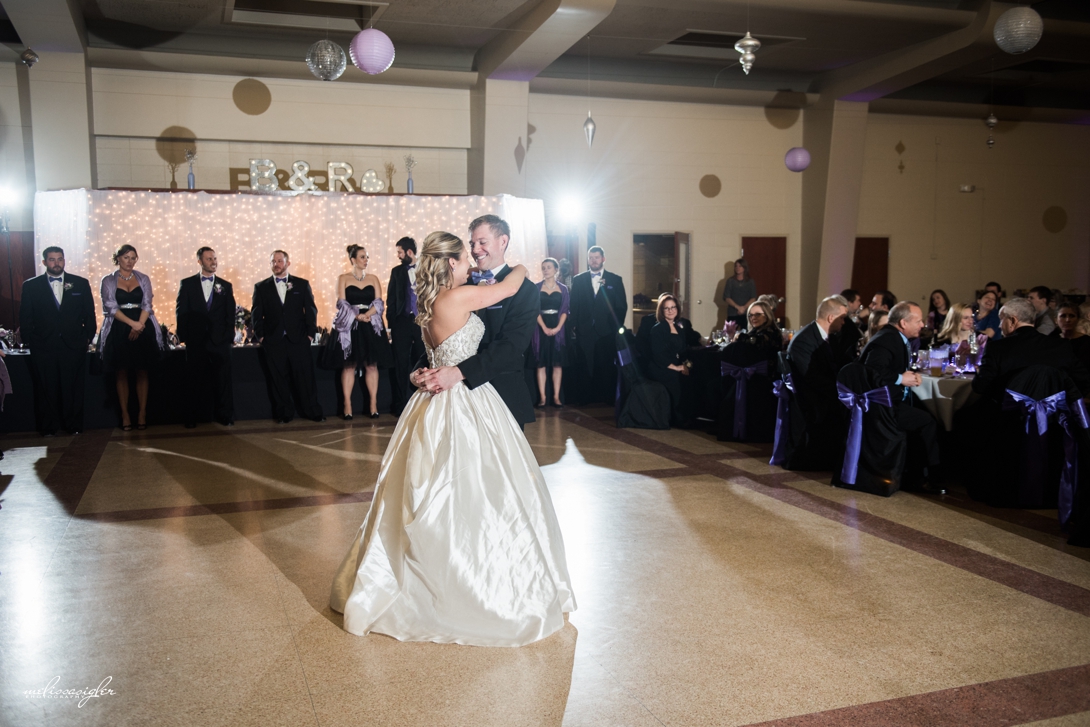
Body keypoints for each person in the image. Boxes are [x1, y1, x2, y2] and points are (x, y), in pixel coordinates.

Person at [329, 231, 575, 645]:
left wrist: (416, 374)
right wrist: (517, 265)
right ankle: (467, 585)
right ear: (449, 265)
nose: (472, 263)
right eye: (465, 258)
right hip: (463, 402)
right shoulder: (456, 299)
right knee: (474, 489)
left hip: (436, 400)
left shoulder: (429, 305)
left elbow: (428, 358)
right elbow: (512, 284)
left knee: (442, 487)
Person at [413, 215, 539, 428]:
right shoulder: (458, 284)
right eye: (472, 244)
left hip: (503, 393)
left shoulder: (525, 290)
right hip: (452, 396)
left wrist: (459, 372)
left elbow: (512, 346)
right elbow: (441, 340)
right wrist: (419, 370)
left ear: (503, 241)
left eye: (482, 242)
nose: (475, 250)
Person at [858, 301, 942, 492]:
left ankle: (916, 473)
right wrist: (900, 378)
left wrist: (908, 376)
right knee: (927, 421)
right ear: (903, 323)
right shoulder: (887, 339)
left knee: (925, 411)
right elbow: (872, 372)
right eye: (918, 321)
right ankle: (928, 478)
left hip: (889, 400)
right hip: (881, 406)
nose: (923, 325)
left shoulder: (893, 336)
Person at [19, 246, 97, 436]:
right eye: (52, 260)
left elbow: (89, 314)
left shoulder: (80, 283)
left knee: (74, 388)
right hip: (43, 346)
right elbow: (25, 317)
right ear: (45, 262)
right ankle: (48, 427)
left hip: (73, 345)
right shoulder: (31, 286)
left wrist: (87, 337)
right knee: (46, 388)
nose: (56, 263)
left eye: (60, 259)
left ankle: (74, 426)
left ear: (64, 260)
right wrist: (32, 341)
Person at [251, 250, 325, 424]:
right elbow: (256, 314)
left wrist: (309, 334)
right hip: (273, 341)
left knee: (305, 378)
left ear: (287, 263)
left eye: (279, 261)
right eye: (273, 261)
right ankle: (284, 413)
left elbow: (311, 310)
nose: (276, 264)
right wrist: (261, 337)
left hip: (299, 340)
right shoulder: (261, 287)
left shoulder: (301, 284)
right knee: (278, 380)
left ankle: (312, 411)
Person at [972, 297, 1090, 404]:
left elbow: (981, 387)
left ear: (1013, 321)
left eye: (1001, 320)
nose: (999, 326)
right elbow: (1083, 381)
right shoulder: (1061, 345)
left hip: (1008, 419)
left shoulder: (997, 348)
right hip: (1052, 420)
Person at [99, 245, 165, 431]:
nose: (130, 261)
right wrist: (131, 324)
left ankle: (142, 413)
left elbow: (147, 304)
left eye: (133, 258)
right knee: (121, 371)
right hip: (119, 327)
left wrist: (140, 325)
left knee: (142, 370)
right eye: (126, 257)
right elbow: (110, 307)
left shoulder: (143, 278)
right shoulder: (108, 280)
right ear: (118, 258)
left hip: (143, 325)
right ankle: (125, 415)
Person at [325, 244, 392, 419]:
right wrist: (357, 316)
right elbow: (341, 303)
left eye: (367, 257)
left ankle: (373, 404)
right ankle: (347, 405)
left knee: (371, 365)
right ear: (353, 260)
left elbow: (379, 302)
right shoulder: (343, 278)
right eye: (362, 257)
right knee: (349, 365)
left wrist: (367, 315)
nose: (366, 260)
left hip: (370, 324)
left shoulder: (373, 278)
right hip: (351, 325)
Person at [785, 295, 849, 469]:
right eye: (842, 318)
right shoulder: (803, 341)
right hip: (809, 396)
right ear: (831, 318)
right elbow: (810, 378)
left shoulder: (831, 337)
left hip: (823, 390)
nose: (844, 323)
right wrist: (842, 391)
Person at [176, 247, 236, 428]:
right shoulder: (187, 284)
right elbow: (182, 312)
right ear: (200, 262)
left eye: (215, 258)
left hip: (220, 341)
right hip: (196, 340)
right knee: (194, 380)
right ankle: (192, 416)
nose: (213, 262)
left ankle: (224, 415)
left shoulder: (225, 286)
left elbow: (230, 314)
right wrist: (185, 336)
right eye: (209, 259)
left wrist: (228, 336)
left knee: (223, 380)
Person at [570, 246, 627, 405]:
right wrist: (574, 326)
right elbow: (573, 305)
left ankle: (605, 399)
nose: (593, 260)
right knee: (585, 364)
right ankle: (585, 399)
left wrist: (616, 328)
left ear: (603, 259)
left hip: (607, 331)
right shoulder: (579, 280)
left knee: (606, 364)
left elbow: (621, 306)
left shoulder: (615, 280)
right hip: (585, 329)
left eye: (596, 257)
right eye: (591, 258)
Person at [386, 236, 424, 417]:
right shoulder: (396, 272)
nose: (398, 256)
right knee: (400, 363)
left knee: (423, 361)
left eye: (400, 252)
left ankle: (426, 403)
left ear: (409, 252)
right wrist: (390, 325)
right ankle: (400, 406)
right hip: (401, 322)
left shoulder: (426, 269)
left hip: (422, 322)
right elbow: (391, 299)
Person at [648, 294, 693, 427]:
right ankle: (677, 417)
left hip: (675, 364)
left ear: (677, 309)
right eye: (666, 308)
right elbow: (658, 355)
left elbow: (683, 351)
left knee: (692, 377)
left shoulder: (679, 328)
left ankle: (689, 414)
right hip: (660, 367)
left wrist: (687, 366)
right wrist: (676, 367)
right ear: (661, 311)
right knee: (675, 379)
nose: (670, 310)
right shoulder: (657, 329)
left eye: (673, 307)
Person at [531, 258, 570, 408]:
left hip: (558, 326)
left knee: (557, 364)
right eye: (543, 268)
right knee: (540, 364)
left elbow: (565, 310)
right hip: (540, 327)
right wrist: (544, 328)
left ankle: (556, 397)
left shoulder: (563, 289)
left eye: (548, 267)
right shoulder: (536, 288)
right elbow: (534, 309)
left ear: (556, 269)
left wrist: (558, 328)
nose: (546, 270)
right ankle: (542, 397)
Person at [722, 259, 757, 328]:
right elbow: (727, 297)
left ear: (744, 268)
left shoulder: (750, 281)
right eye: (736, 266)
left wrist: (743, 308)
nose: (738, 268)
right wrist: (738, 307)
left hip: (746, 312)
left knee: (747, 333)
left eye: (740, 266)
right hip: (733, 313)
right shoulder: (730, 281)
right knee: (729, 334)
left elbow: (753, 297)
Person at [1058, 303, 1090, 371]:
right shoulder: (1052, 340)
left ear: (1078, 319)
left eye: (1071, 316)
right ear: (1056, 320)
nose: (1067, 320)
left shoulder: (1087, 342)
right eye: (1063, 316)